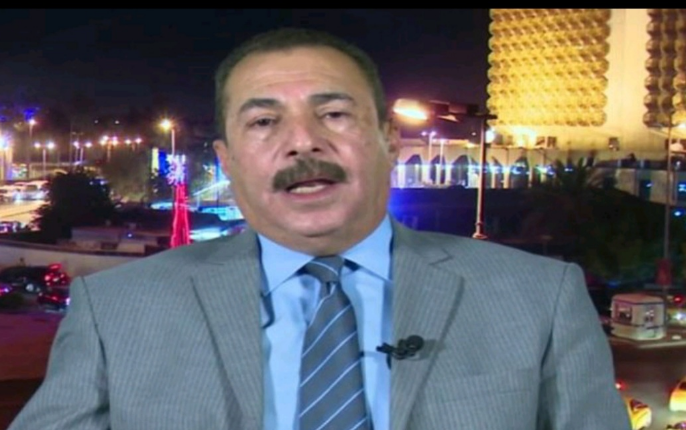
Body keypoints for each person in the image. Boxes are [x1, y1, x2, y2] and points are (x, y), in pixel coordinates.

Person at [9, 27, 631, 430]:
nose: (302, 142)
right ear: (228, 160)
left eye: (333, 113)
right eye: (263, 122)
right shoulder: (117, 310)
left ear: (388, 140)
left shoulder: (539, 298)